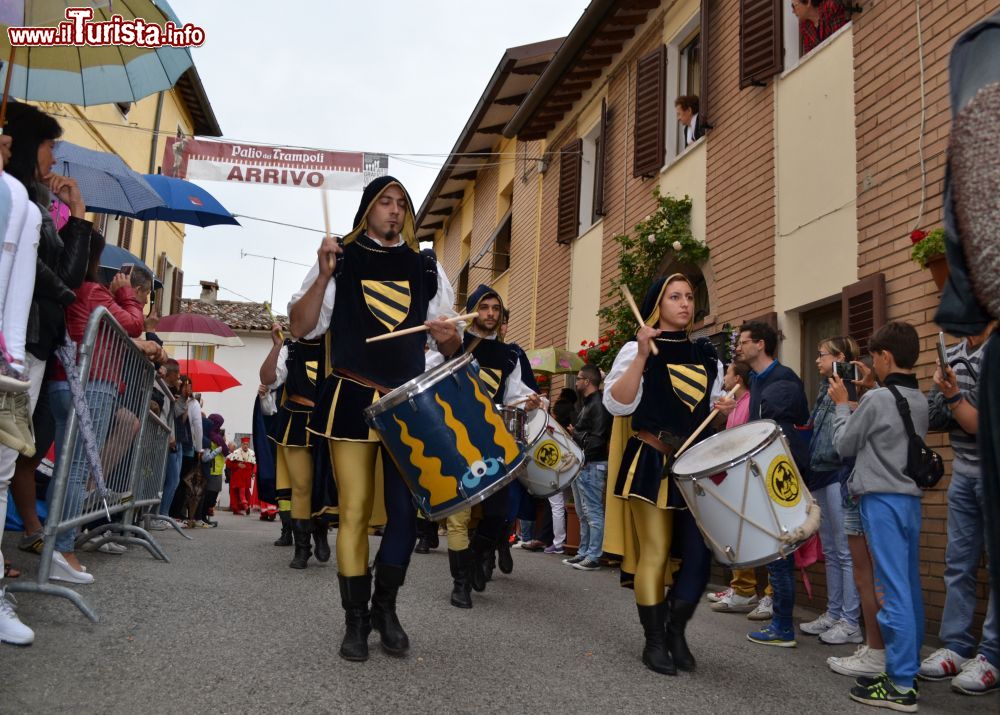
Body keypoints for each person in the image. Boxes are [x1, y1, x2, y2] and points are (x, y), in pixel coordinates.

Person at [288, 175, 461, 661]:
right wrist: (323, 276)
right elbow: (301, 327)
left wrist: (447, 335)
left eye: (402, 204)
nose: (394, 210)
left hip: (407, 403)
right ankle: (356, 620)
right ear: (368, 209)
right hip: (351, 396)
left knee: (406, 513)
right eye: (385, 202)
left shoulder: (425, 266)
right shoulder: (339, 259)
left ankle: (386, 608)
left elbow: (449, 346)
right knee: (356, 510)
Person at [603, 273, 724, 676]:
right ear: (658, 304)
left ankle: (676, 631)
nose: (685, 303)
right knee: (654, 552)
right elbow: (618, 404)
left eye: (689, 296)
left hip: (694, 466)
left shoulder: (709, 355)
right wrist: (640, 355)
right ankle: (654, 642)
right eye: (675, 296)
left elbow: (706, 412)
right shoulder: (637, 349)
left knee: (699, 557)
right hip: (651, 459)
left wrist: (719, 411)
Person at [831, 322, 926, 711]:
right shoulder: (917, 397)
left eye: (874, 356)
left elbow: (843, 444)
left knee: (891, 588)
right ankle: (908, 666)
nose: (870, 362)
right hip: (909, 500)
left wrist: (841, 404)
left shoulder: (876, 401)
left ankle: (901, 685)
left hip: (881, 500)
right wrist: (870, 389)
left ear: (885, 356)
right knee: (909, 585)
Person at [47, 228, 144, 581]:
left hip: (63, 380)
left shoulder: (68, 287)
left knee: (66, 468)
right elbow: (134, 324)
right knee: (76, 470)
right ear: (93, 258)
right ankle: (62, 548)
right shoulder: (93, 290)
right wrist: (128, 294)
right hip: (94, 383)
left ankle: (56, 546)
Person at [444, 285, 541, 608]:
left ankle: (475, 558)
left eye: (495, 309)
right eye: (484, 307)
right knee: (458, 516)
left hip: (494, 442)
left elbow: (514, 396)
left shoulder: (509, 354)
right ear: (472, 311)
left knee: (498, 513)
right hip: (458, 438)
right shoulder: (453, 347)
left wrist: (528, 403)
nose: (490, 314)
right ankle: (460, 585)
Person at [715, 320, 810, 648]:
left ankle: (783, 626)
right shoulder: (756, 381)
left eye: (743, 342)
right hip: (764, 471)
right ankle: (780, 621)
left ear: (761, 345)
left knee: (779, 549)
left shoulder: (782, 380)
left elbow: (774, 427)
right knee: (775, 549)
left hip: (779, 473)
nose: (738, 348)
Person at [919, 323, 998, 695]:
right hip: (964, 471)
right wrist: (943, 390)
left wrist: (953, 398)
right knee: (959, 562)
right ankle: (955, 645)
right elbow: (936, 420)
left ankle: (992, 656)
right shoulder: (953, 352)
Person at [799, 336, 863, 645]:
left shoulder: (851, 389)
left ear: (839, 357)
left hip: (839, 473)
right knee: (832, 550)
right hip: (821, 474)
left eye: (822, 355)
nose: (817, 360)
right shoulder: (827, 390)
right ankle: (834, 612)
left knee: (845, 549)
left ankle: (851, 621)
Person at [259, 321, 329, 569]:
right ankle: (302, 548)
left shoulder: (334, 345)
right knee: (300, 485)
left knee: (323, 484)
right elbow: (267, 378)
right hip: (296, 421)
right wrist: (277, 346)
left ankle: (320, 531)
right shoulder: (291, 349)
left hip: (326, 422)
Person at [708, 360, 774, 617]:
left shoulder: (749, 403)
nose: (723, 378)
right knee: (736, 533)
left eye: (728, 373)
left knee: (753, 534)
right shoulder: (736, 403)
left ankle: (757, 591)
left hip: (749, 478)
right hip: (735, 478)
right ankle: (742, 589)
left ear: (738, 380)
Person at [563, 363, 611, 571]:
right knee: (584, 513)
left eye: (579, 378)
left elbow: (598, 439)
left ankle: (593, 556)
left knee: (592, 512)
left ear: (588, 381)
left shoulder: (597, 404)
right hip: (584, 463)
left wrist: (576, 434)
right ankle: (584, 552)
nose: (577, 381)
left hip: (591, 463)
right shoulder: (589, 403)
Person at [226, 437, 256, 516]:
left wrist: (253, 472)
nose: (245, 446)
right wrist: (237, 465)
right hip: (237, 477)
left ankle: (242, 507)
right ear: (241, 444)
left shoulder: (251, 453)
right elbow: (228, 463)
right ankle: (243, 507)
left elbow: (253, 465)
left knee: (245, 493)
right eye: (244, 444)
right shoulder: (236, 452)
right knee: (238, 493)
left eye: (247, 444)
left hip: (246, 478)